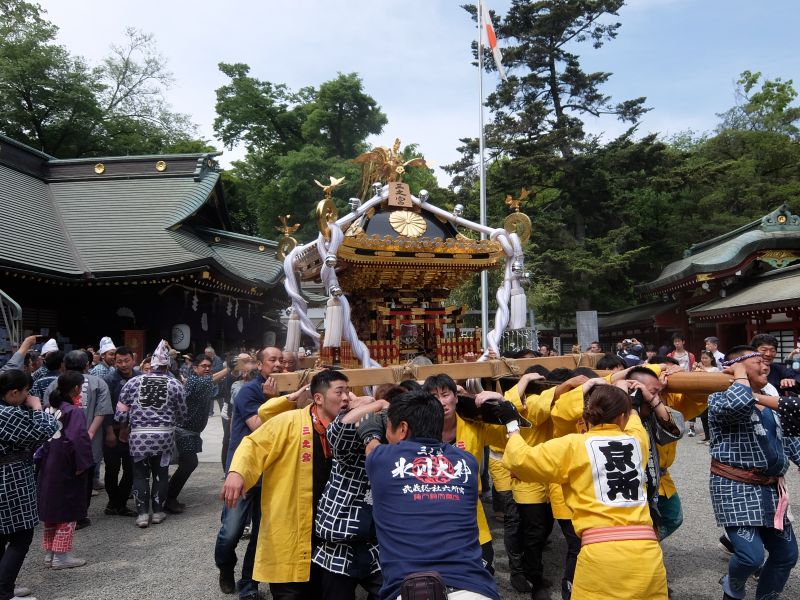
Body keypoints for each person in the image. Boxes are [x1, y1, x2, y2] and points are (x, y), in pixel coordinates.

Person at [504, 380, 668, 600]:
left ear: (587, 414)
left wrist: (512, 427)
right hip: (647, 550)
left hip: (600, 551)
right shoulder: (636, 441)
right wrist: (632, 399)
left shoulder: (573, 445)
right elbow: (634, 421)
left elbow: (520, 460)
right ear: (622, 417)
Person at [221, 369, 352, 599]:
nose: (346, 398)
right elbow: (253, 445)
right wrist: (237, 472)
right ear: (318, 398)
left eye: (348, 392)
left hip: (332, 528)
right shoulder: (289, 421)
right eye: (339, 392)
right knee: (290, 591)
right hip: (292, 522)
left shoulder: (350, 426)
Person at [364, 390, 500, 600]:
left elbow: (371, 448)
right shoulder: (467, 462)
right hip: (475, 590)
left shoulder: (382, 458)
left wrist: (371, 433)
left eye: (388, 428)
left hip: (411, 591)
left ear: (403, 429)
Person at [709, 346, 800, 599]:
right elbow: (739, 404)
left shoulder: (770, 398)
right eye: (758, 361)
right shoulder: (718, 397)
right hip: (735, 487)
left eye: (767, 361)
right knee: (751, 557)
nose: (766, 364)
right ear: (735, 367)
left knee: (786, 555)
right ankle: (732, 588)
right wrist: (738, 373)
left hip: (771, 489)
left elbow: (791, 440)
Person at [214, 346, 281, 600]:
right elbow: (260, 428)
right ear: (260, 365)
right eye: (273, 360)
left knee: (261, 533)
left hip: (271, 471)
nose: (279, 364)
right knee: (231, 531)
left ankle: (248, 583)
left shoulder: (287, 391)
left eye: (282, 360)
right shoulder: (248, 391)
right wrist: (273, 401)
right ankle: (225, 567)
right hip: (243, 471)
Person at [0, 369, 59, 600]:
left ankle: (5, 585)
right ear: (14, 392)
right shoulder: (7, 413)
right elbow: (48, 428)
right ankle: (4, 592)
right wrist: (37, 407)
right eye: (26, 391)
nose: (29, 395)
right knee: (21, 536)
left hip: (9, 476)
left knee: (2, 535)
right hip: (10, 479)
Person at [116, 341, 186, 528]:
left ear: (151, 364)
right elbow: (182, 412)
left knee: (140, 475)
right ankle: (157, 512)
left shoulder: (133, 382)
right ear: (167, 366)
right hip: (164, 436)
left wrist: (123, 428)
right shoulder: (174, 383)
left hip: (138, 436)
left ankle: (141, 515)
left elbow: (121, 411)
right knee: (160, 474)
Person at [43, 350, 112, 530]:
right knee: (84, 478)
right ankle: (80, 515)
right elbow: (102, 411)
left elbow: (47, 411)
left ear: (64, 365)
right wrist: (91, 432)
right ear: (87, 365)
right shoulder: (98, 382)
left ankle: (57, 513)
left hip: (58, 441)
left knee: (61, 477)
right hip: (88, 439)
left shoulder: (55, 383)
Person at [36, 372, 94, 570]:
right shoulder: (73, 411)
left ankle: (50, 553)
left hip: (48, 461)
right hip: (66, 463)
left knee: (51, 508)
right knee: (67, 509)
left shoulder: (48, 408)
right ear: (76, 388)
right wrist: (82, 464)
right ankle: (61, 556)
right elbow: (78, 439)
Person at [166, 355, 229, 513]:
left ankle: (167, 496)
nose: (207, 368)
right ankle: (169, 498)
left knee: (186, 463)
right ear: (194, 368)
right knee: (189, 463)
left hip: (191, 432)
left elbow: (214, 382)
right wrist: (230, 368)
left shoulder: (202, 381)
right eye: (203, 366)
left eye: (209, 366)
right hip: (182, 430)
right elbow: (211, 380)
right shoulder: (194, 381)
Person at [101, 346, 137, 516]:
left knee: (131, 469)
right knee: (112, 469)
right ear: (114, 362)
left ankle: (120, 503)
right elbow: (105, 408)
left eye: (126, 361)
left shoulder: (139, 377)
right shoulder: (109, 380)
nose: (123, 365)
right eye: (119, 361)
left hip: (133, 431)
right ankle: (113, 502)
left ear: (133, 360)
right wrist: (109, 432)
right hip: (113, 430)